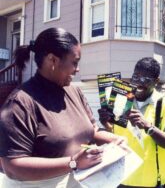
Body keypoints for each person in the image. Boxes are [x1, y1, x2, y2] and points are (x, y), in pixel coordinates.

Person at [0, 27, 123, 187]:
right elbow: (13, 167)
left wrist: (112, 140)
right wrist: (73, 163)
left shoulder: (74, 91)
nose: (77, 69)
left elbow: (91, 131)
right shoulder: (21, 102)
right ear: (52, 60)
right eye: (74, 62)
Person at [99, 57, 165, 188]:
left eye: (145, 80)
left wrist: (148, 127)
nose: (138, 83)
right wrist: (106, 124)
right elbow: (117, 135)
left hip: (150, 182)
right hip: (121, 179)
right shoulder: (120, 100)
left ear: (156, 81)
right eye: (135, 77)